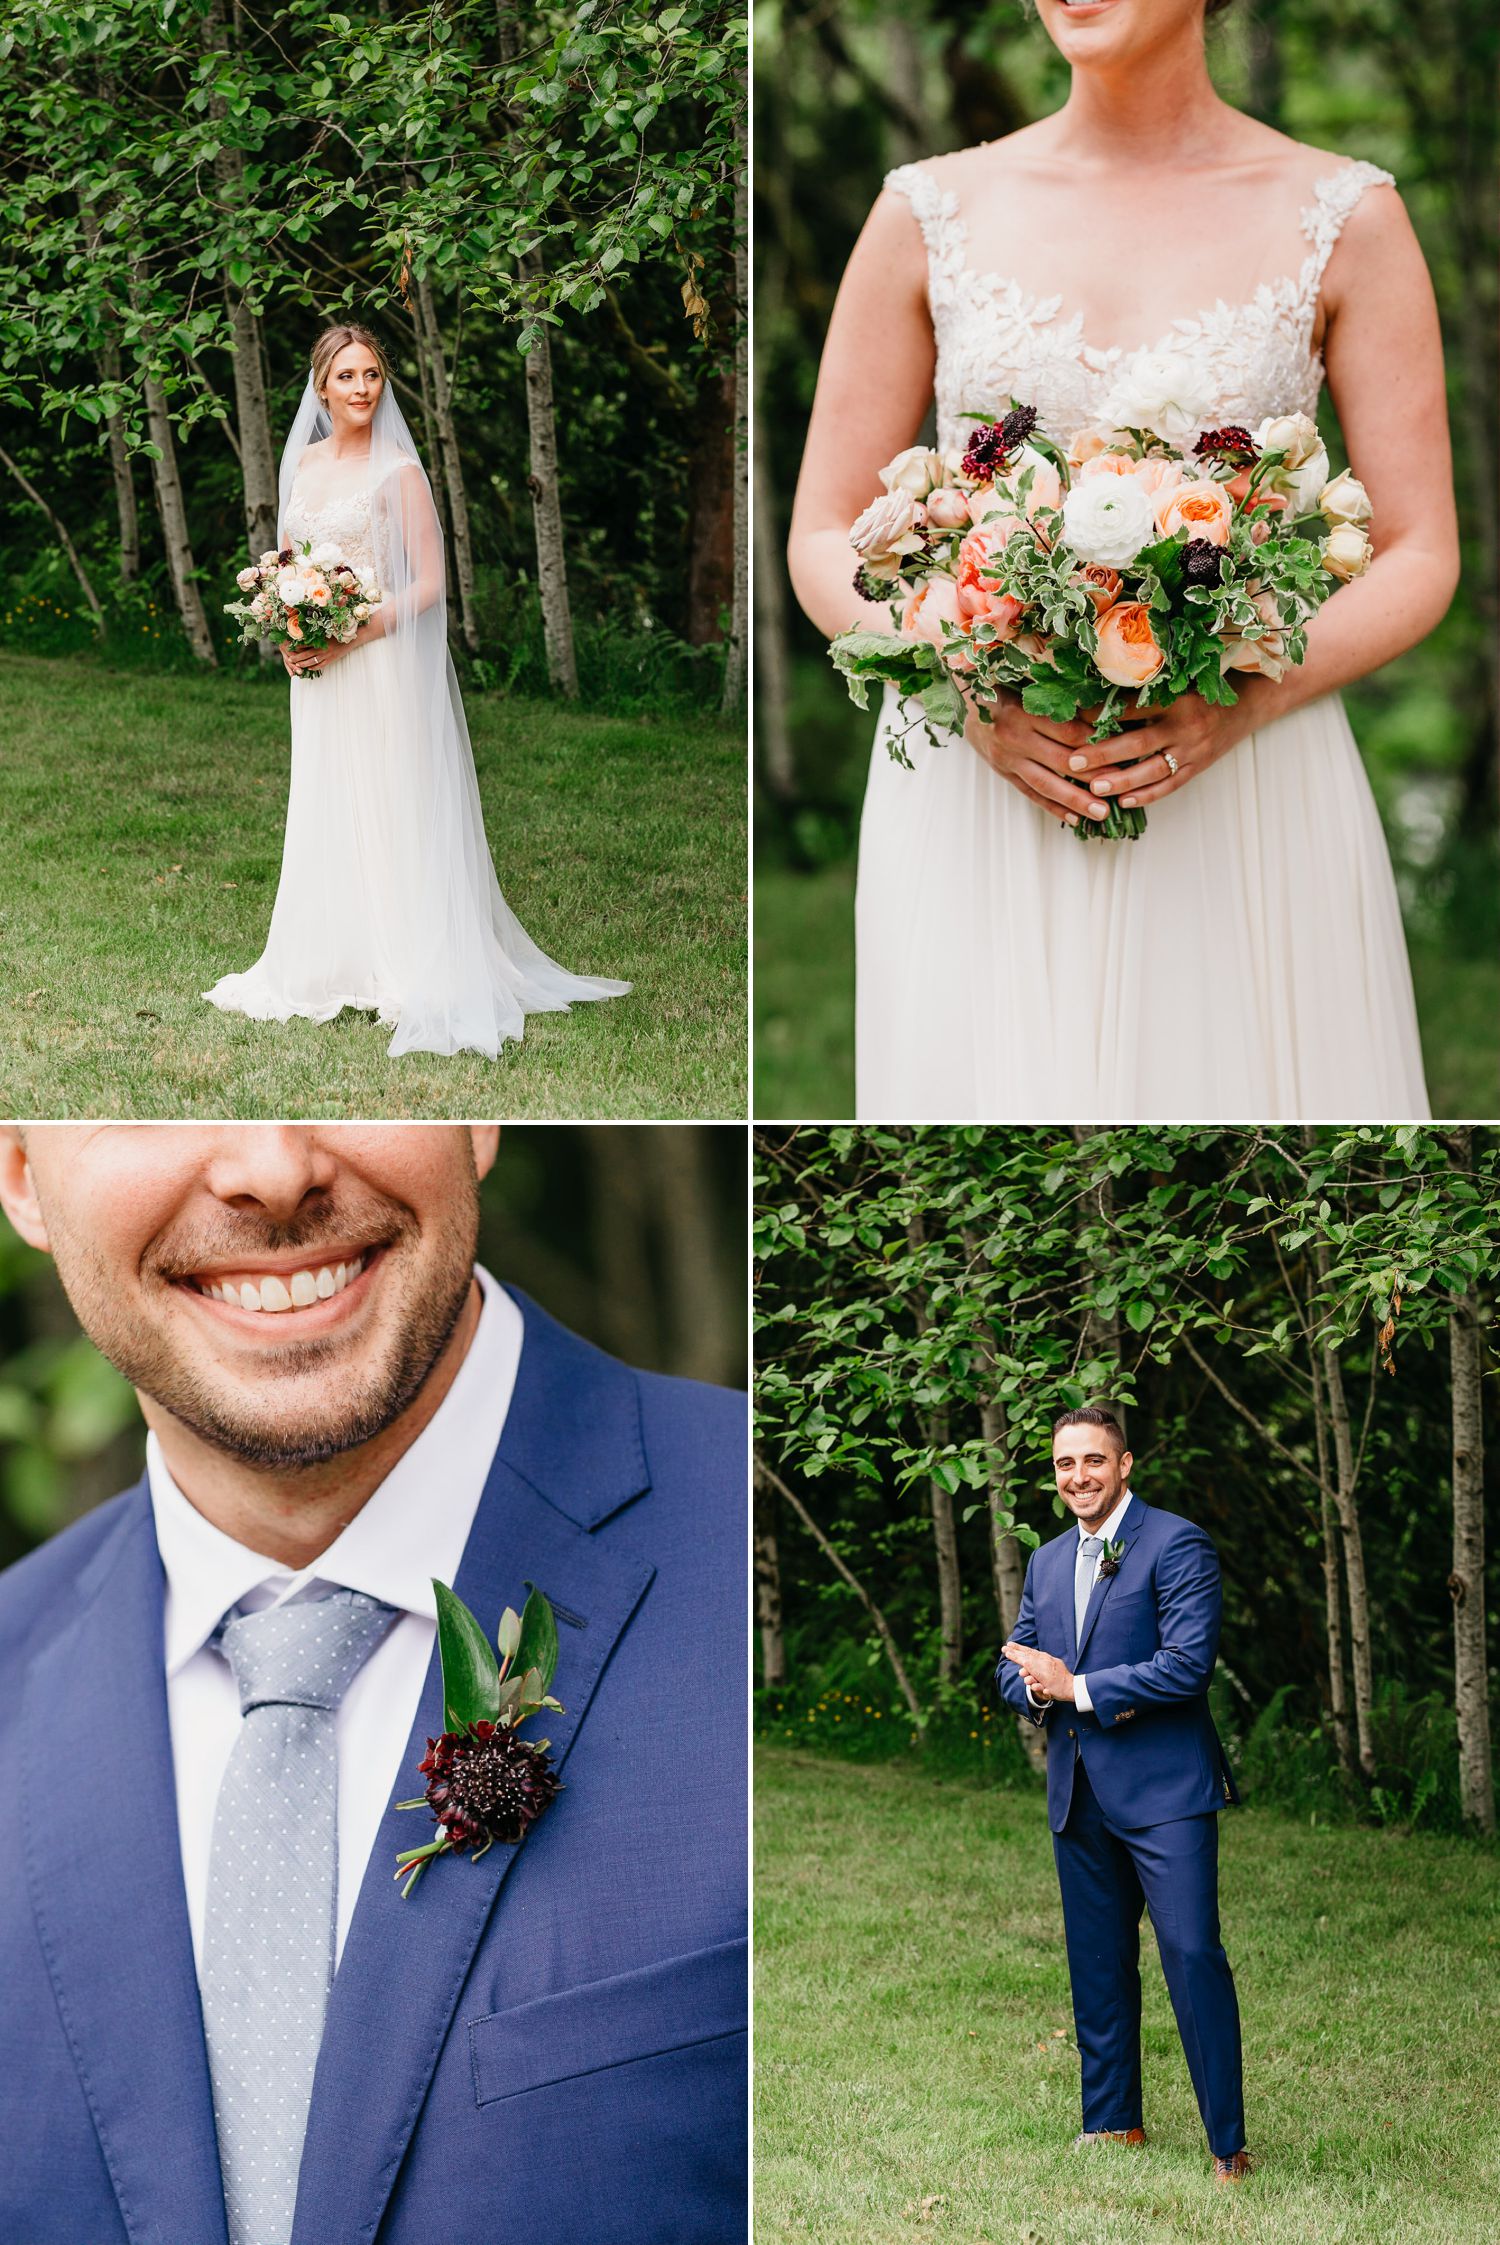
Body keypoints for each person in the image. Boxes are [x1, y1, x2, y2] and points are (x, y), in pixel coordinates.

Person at [0, 1124, 744, 2245]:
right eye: (147, 1105)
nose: (272, 1164)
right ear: (22, 1173)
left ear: (478, 1114)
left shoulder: (749, 1539)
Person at [786, 0, 1458, 1120]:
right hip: (980, 782)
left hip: (1242, 778)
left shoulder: (1348, 217)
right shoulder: (925, 212)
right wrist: (957, 677)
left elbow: (1422, 550)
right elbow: (820, 535)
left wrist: (1244, 698)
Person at [204, 326, 630, 1060]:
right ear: (321, 388)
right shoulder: (302, 467)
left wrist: (353, 632)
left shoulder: (398, 471)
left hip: (378, 662)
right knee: (330, 799)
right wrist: (287, 628)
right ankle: (331, 959)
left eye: (371, 374)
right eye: (346, 376)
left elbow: (431, 586)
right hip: (319, 668)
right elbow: (288, 564)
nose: (362, 388)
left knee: (392, 799)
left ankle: (404, 957)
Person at [997, 1406, 1248, 2181]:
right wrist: (1034, 1690)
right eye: (1065, 1464)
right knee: (1097, 1963)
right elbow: (1013, 1664)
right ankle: (1112, 2123)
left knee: (1191, 1954)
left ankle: (1227, 2144)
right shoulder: (1043, 1560)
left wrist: (1075, 1687)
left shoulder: (1176, 1544)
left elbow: (1186, 1664)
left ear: (1125, 1464)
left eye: (1094, 1461)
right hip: (1079, 1791)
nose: (1079, 1477)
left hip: (1167, 1792)